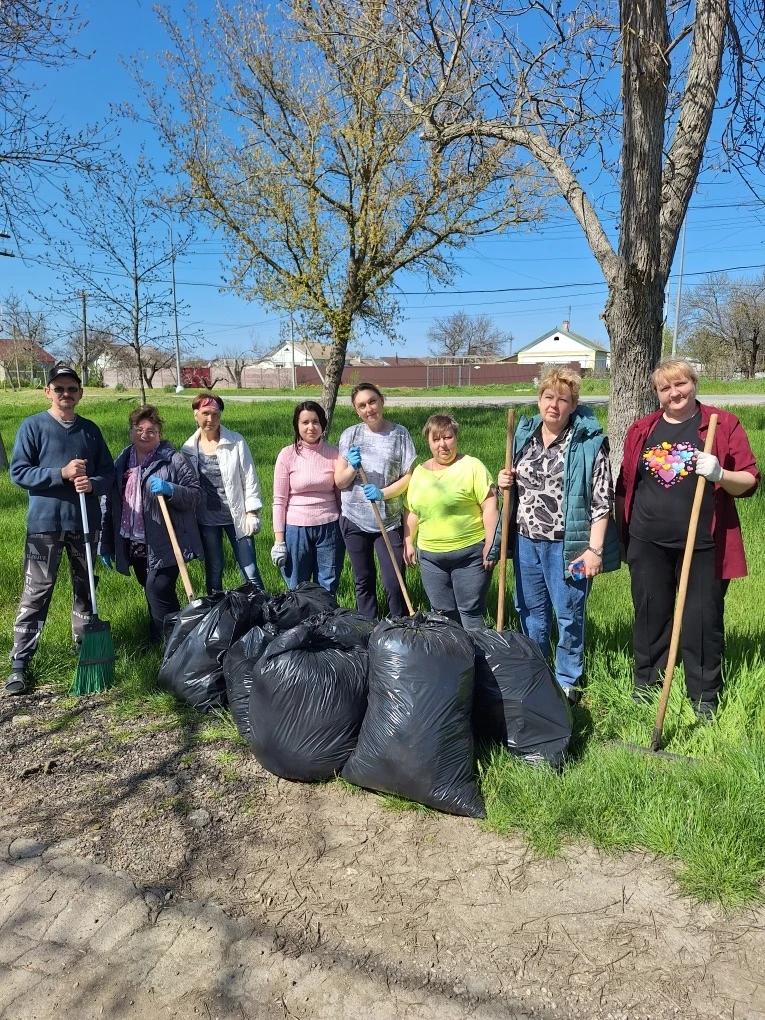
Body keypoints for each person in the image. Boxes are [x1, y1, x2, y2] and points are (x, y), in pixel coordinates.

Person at [616, 358, 759, 719]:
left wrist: (720, 473)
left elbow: (749, 481)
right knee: (650, 614)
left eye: (681, 383)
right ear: (657, 393)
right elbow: (625, 485)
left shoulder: (721, 424)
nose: (674, 392)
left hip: (703, 542)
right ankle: (647, 685)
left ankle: (704, 696)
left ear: (694, 383)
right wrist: (623, 536)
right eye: (665, 387)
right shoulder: (642, 429)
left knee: (701, 619)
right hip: (647, 540)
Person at [497, 367, 620, 703]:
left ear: (573, 405)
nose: (554, 404)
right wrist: (503, 481)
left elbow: (602, 500)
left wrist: (594, 550)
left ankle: (567, 681)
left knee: (569, 614)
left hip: (569, 547)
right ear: (539, 400)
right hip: (526, 542)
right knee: (530, 612)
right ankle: (535, 674)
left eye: (562, 399)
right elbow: (516, 487)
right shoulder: (524, 436)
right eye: (548, 397)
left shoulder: (588, 443)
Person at [6, 365, 114, 695]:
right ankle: (20, 663)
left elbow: (109, 474)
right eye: (59, 388)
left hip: (84, 525)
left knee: (86, 590)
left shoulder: (90, 431)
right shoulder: (33, 426)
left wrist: (92, 484)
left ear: (80, 393)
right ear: (47, 392)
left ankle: (86, 653)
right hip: (45, 526)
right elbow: (19, 472)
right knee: (37, 592)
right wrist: (61, 473)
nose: (65, 394)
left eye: (72, 388)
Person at [100, 405, 203, 642]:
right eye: (139, 429)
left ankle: (170, 644)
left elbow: (196, 495)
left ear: (159, 434)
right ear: (130, 432)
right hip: (134, 541)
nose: (144, 434)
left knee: (157, 589)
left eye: (151, 431)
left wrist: (171, 489)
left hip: (166, 541)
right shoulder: (121, 462)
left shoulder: (174, 459)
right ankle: (170, 638)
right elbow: (109, 503)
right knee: (152, 590)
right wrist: (105, 544)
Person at [403, 414, 498, 629]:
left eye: (447, 437)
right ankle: (451, 651)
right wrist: (408, 542)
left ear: (456, 437)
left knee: (470, 611)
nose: (442, 445)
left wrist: (491, 543)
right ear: (428, 441)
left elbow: (490, 505)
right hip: (431, 557)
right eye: (436, 439)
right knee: (441, 615)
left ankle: (477, 650)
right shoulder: (419, 473)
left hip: (470, 554)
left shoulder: (472, 466)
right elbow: (411, 511)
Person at [335, 382, 417, 619]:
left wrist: (383, 493)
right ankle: (368, 628)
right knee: (364, 579)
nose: (369, 409)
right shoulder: (350, 435)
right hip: (354, 519)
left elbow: (409, 477)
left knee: (394, 582)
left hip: (388, 520)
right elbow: (340, 482)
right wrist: (352, 467)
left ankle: (399, 628)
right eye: (362, 405)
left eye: (372, 401)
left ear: (382, 400)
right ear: (356, 410)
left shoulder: (399, 434)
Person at [181, 394, 264, 593]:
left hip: (237, 517)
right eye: (205, 413)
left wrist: (252, 512)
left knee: (250, 570)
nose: (210, 419)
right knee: (215, 569)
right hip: (207, 520)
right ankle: (216, 609)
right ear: (195, 415)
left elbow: (249, 477)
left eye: (215, 414)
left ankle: (263, 606)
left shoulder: (235, 441)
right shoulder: (188, 449)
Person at [270, 401, 345, 595]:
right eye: (305, 422)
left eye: (315, 421)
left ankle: (326, 615)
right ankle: (300, 616)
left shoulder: (334, 454)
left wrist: (343, 525)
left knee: (327, 586)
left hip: (329, 528)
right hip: (296, 530)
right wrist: (279, 541)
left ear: (323, 424)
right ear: (297, 425)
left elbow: (340, 495)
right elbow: (279, 501)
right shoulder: (287, 455)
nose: (311, 427)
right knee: (297, 587)